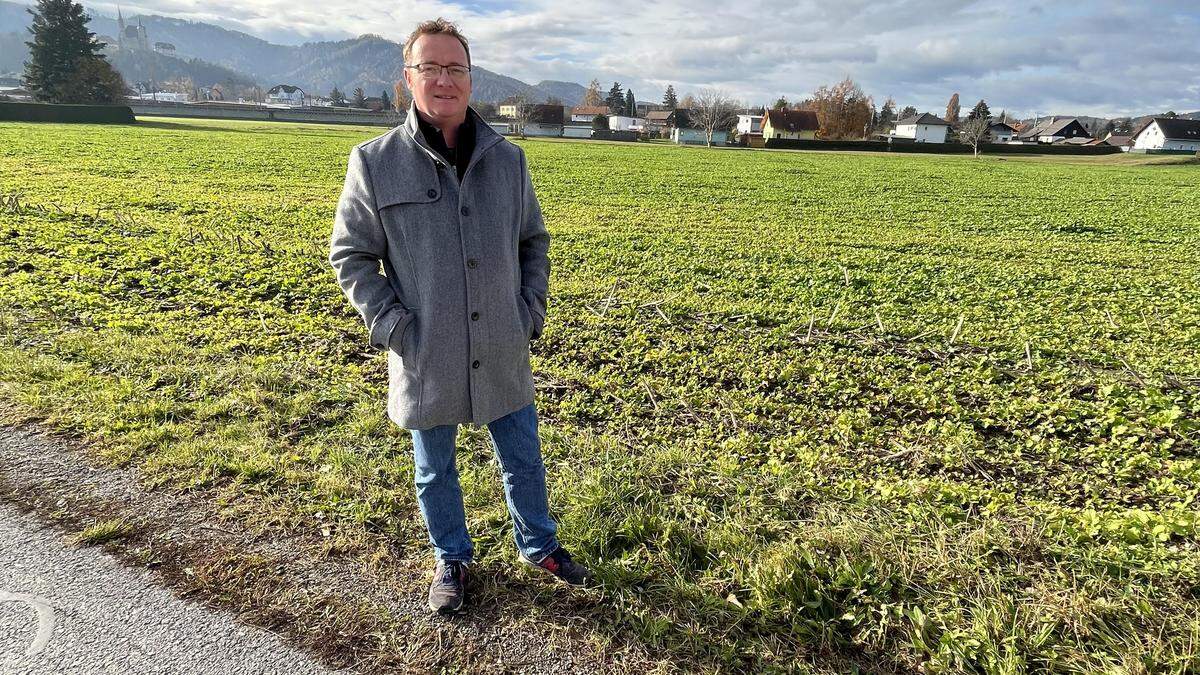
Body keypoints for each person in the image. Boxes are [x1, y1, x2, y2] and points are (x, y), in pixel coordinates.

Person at [328, 17, 591, 615]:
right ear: (409, 78)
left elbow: (534, 242)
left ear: (471, 79)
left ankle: (539, 544)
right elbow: (351, 255)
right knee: (433, 467)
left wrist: (530, 309)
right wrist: (394, 327)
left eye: (456, 68)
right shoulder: (375, 162)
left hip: (502, 337)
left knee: (523, 456)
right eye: (432, 67)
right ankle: (452, 558)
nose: (445, 79)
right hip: (426, 346)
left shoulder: (509, 161)